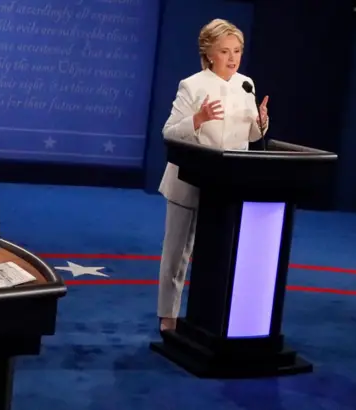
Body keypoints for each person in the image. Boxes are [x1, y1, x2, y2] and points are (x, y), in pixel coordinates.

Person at [157, 19, 269, 332]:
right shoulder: (192, 85)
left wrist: (261, 121)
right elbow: (169, 133)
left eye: (237, 51)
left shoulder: (246, 85)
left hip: (228, 186)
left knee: (221, 255)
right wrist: (198, 118)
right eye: (225, 51)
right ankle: (169, 316)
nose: (233, 58)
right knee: (177, 255)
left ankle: (214, 317)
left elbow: (250, 133)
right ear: (209, 53)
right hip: (188, 182)